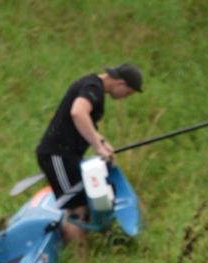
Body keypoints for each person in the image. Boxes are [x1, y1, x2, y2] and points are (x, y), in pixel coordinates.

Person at [35, 64, 143, 249]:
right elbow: (78, 112)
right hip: (57, 155)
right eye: (128, 93)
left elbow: (87, 123)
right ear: (121, 83)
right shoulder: (93, 88)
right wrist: (96, 146)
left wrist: (102, 142)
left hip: (68, 156)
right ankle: (78, 259)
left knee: (83, 204)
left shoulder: (93, 86)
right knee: (77, 210)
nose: (125, 97)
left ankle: (78, 251)